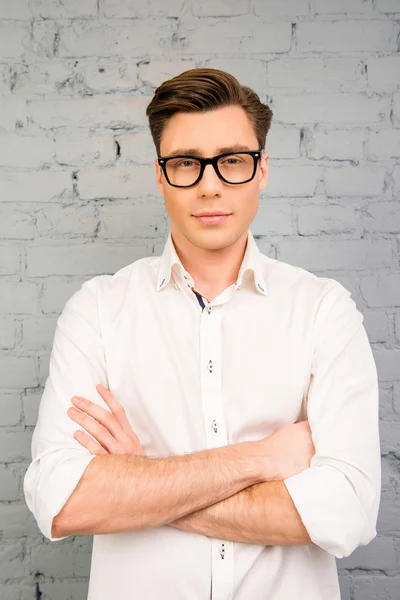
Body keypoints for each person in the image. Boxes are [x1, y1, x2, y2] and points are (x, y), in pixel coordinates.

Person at [23, 68, 381, 600]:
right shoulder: (97, 311)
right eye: (187, 163)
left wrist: (142, 482)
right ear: (161, 175)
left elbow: (348, 513)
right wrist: (260, 460)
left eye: (233, 160)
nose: (210, 184)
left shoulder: (323, 311)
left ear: (261, 171)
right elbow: (63, 501)